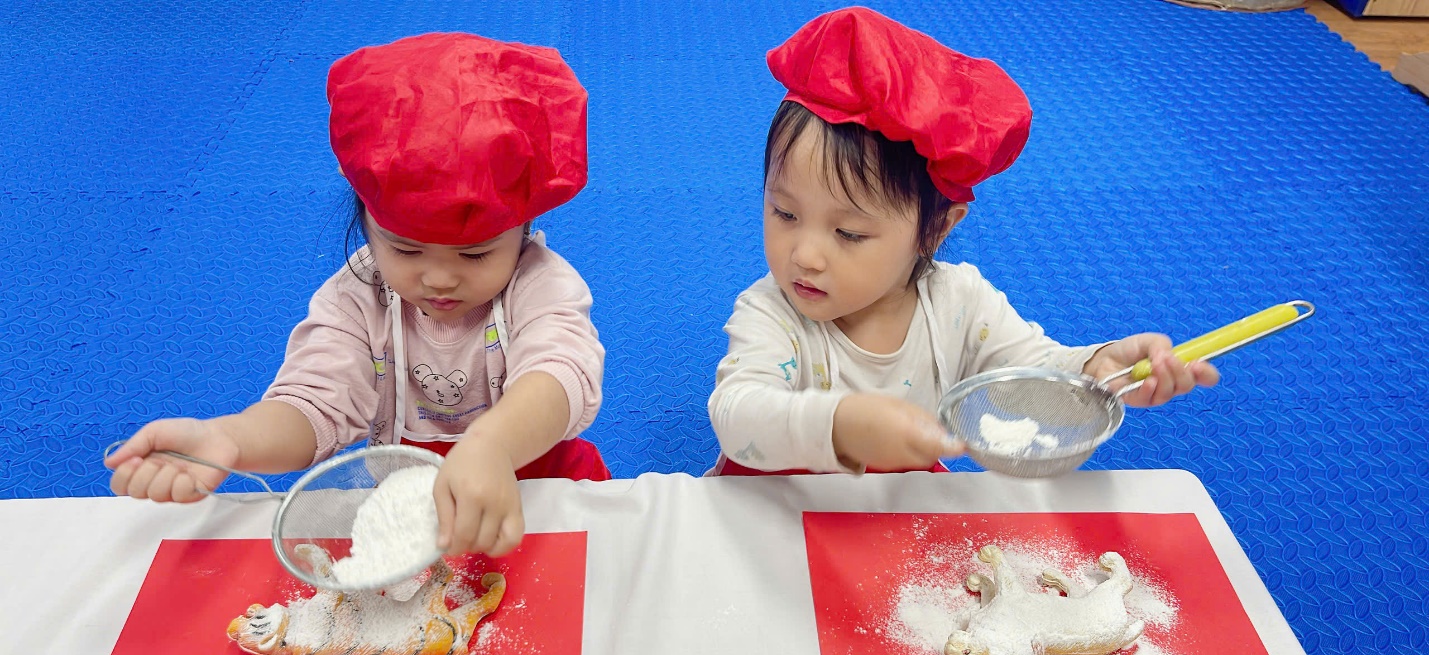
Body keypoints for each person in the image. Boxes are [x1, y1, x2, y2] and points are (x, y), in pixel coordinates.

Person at [105, 32, 607, 557]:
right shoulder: (358, 298)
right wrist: (231, 439)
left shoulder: (540, 284)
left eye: (475, 254)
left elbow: (559, 373)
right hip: (419, 506)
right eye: (406, 250)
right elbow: (312, 405)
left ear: (522, 228)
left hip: (547, 492)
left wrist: (493, 447)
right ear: (367, 222)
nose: (439, 279)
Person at [708, 7, 1217, 476]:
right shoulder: (773, 313)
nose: (804, 255)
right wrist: (841, 426)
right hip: (772, 509)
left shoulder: (960, 305)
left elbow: (1029, 376)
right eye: (785, 213)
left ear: (935, 229)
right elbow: (737, 416)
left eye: (849, 233)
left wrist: (1093, 373)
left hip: (894, 513)